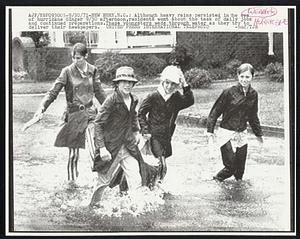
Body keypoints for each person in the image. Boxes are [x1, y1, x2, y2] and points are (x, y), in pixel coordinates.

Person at [33, 43, 106, 181]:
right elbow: (53, 92)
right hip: (74, 116)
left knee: (97, 148)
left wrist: (111, 107)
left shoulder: (93, 70)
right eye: (73, 58)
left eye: (78, 58)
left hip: (90, 114)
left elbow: (100, 92)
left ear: (86, 56)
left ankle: (100, 179)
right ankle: (72, 182)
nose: (75, 61)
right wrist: (42, 108)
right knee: (73, 155)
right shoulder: (67, 71)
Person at [90, 66, 157, 207]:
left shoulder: (133, 99)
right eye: (123, 82)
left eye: (130, 82)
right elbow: (98, 124)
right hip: (111, 147)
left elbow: (133, 117)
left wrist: (137, 131)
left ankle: (137, 207)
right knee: (103, 181)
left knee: (135, 178)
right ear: (117, 83)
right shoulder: (111, 101)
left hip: (127, 147)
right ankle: (93, 206)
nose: (127, 85)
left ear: (133, 84)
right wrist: (102, 148)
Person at [206, 63, 264, 182]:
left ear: (252, 77)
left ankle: (237, 193)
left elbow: (253, 116)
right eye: (242, 76)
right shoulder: (228, 92)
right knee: (230, 167)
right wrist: (210, 132)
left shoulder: (253, 94)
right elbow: (214, 112)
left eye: (247, 77)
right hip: (226, 133)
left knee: (240, 172)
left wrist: (259, 134)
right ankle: (216, 181)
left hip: (241, 134)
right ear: (238, 76)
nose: (244, 80)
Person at [138, 65, 194, 182]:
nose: (169, 87)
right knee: (160, 163)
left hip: (166, 136)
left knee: (159, 162)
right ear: (163, 82)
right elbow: (141, 113)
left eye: (173, 84)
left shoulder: (176, 97)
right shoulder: (153, 96)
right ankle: (153, 185)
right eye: (167, 83)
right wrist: (145, 131)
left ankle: (154, 184)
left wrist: (184, 83)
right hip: (153, 135)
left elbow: (190, 101)